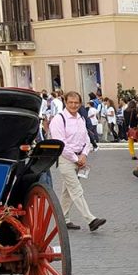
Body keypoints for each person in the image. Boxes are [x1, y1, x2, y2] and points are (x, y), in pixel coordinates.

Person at [48, 91, 106, 232]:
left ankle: (63, 219)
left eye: (76, 103)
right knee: (75, 189)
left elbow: (86, 138)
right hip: (66, 158)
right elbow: (61, 143)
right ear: (65, 103)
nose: (73, 105)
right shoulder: (58, 119)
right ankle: (90, 219)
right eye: (70, 102)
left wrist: (84, 155)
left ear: (80, 103)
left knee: (67, 191)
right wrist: (76, 158)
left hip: (79, 157)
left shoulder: (80, 118)